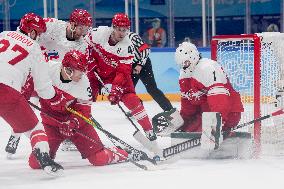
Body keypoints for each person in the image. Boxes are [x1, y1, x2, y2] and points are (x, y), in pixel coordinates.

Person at [5, 9, 92, 153]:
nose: (84, 32)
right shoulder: (53, 25)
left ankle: (66, 136)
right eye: (82, 27)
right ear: (72, 24)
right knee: (27, 105)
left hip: (56, 77)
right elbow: (26, 30)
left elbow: (79, 69)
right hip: (36, 69)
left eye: (86, 28)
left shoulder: (82, 45)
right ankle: (16, 134)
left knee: (62, 108)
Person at [24, 50, 128, 169]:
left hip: (78, 127)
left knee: (99, 159)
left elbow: (85, 111)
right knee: (35, 163)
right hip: (51, 126)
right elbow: (31, 87)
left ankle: (120, 153)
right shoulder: (48, 70)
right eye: (80, 70)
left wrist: (73, 123)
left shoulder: (84, 83)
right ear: (68, 69)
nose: (83, 74)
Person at [0, 13, 64, 176]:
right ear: (32, 31)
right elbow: (43, 87)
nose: (40, 37)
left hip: (10, 89)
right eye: (39, 33)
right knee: (35, 128)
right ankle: (44, 158)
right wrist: (55, 98)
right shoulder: (34, 48)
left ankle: (15, 137)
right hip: (6, 92)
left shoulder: (3, 34)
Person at [85, 13, 157, 142]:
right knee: (82, 98)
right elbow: (83, 45)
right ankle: (77, 129)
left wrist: (116, 90)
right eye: (119, 29)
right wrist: (89, 62)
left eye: (125, 30)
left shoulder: (127, 46)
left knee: (131, 99)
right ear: (113, 27)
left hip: (116, 75)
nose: (122, 33)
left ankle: (149, 130)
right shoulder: (99, 33)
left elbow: (123, 72)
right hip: (94, 71)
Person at [154, 41, 244, 136]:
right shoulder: (184, 74)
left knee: (203, 134)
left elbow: (219, 100)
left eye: (186, 62)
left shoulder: (208, 68)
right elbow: (188, 104)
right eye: (181, 64)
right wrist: (183, 122)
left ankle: (220, 132)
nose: (184, 66)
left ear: (193, 57)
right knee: (187, 132)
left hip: (228, 114)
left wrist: (216, 123)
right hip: (204, 115)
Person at [128, 31, 174, 112]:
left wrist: (140, 65)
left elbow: (145, 50)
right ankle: (138, 107)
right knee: (127, 91)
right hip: (131, 66)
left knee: (152, 89)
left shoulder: (132, 36)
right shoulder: (115, 41)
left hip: (143, 63)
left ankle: (169, 110)